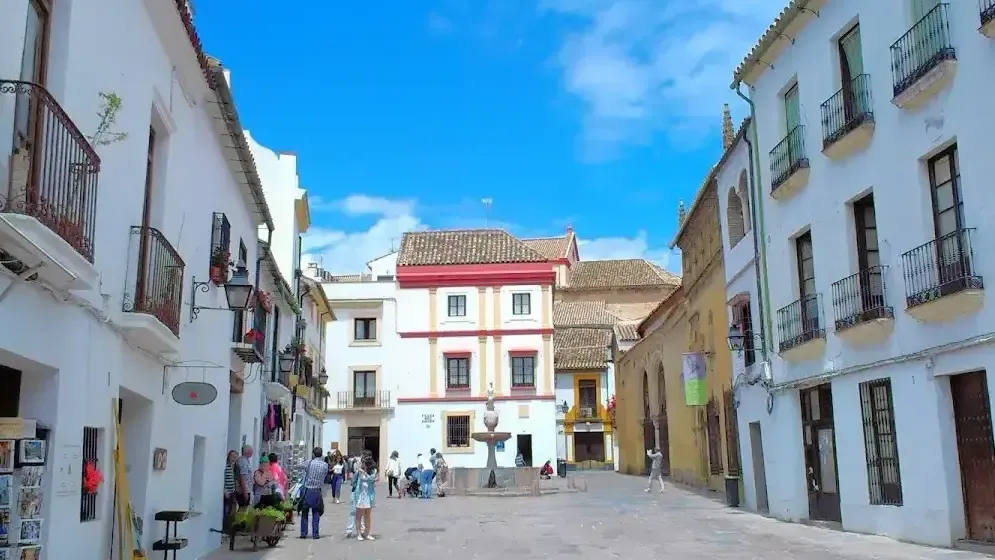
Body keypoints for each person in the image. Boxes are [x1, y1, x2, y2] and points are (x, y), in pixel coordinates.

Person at [298, 446, 328, 539]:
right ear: (321, 454)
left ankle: (303, 533)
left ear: (313, 454)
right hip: (317, 490)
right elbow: (325, 475)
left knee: (305, 512)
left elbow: (300, 466)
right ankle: (315, 533)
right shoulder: (325, 465)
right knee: (316, 512)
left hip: (308, 490)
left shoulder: (309, 463)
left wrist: (302, 459)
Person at [353, 456, 376, 541]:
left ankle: (368, 533)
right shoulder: (359, 471)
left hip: (369, 495)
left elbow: (372, 479)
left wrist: (365, 473)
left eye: (364, 463)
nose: (363, 464)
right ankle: (359, 534)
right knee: (359, 516)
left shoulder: (372, 472)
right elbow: (356, 472)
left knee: (368, 516)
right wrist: (358, 464)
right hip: (360, 495)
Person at [223, 450, 238, 531]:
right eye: (232, 457)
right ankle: (225, 527)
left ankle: (229, 527)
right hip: (227, 492)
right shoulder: (226, 466)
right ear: (228, 456)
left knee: (231, 510)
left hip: (232, 492)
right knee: (226, 510)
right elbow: (223, 479)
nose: (234, 459)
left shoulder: (234, 467)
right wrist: (225, 490)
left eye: (235, 457)